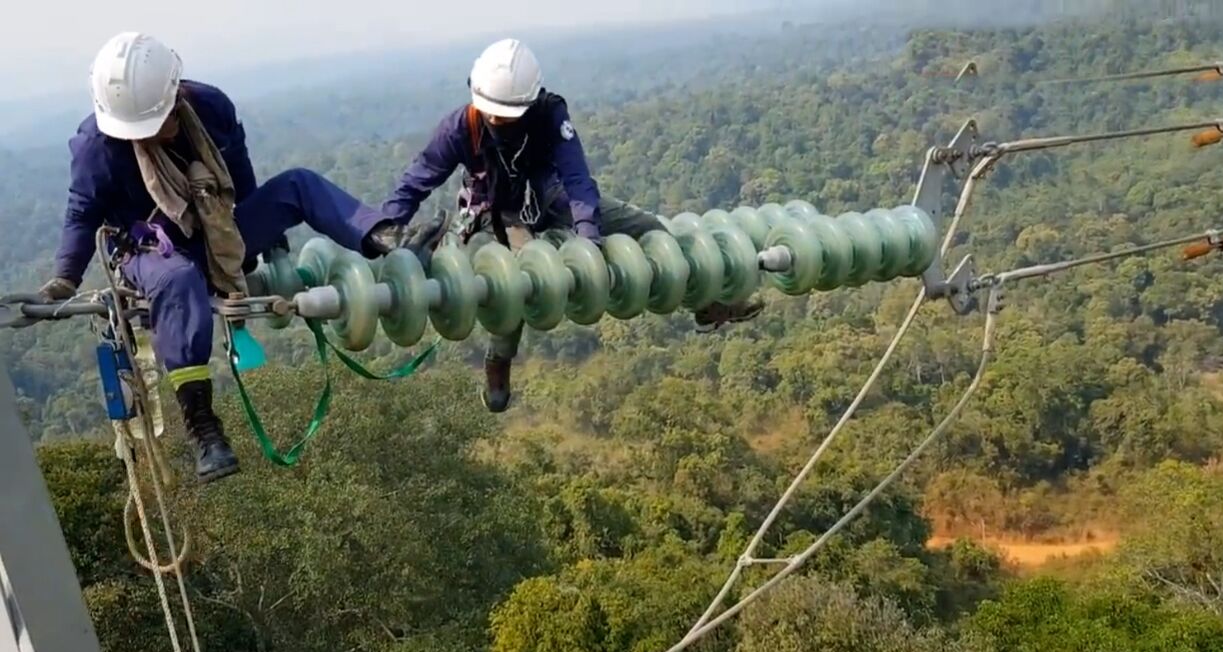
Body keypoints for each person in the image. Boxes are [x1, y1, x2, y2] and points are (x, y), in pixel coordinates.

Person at [38, 32, 426, 483]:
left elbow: (240, 180)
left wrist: (263, 239)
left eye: (156, 121)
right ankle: (204, 428)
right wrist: (65, 278)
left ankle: (382, 236)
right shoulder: (97, 146)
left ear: (175, 93)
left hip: (217, 230)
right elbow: (82, 214)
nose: (147, 134)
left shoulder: (210, 109)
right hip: (150, 254)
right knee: (178, 278)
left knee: (297, 184)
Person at [382, 38, 764, 414]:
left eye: (506, 114)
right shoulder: (461, 127)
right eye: (492, 112)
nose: (496, 120)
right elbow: (417, 181)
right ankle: (499, 360)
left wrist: (589, 237)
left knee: (650, 229)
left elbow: (577, 177)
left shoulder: (549, 114)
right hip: (499, 209)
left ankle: (702, 301)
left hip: (552, 194)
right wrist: (384, 232)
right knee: (511, 284)